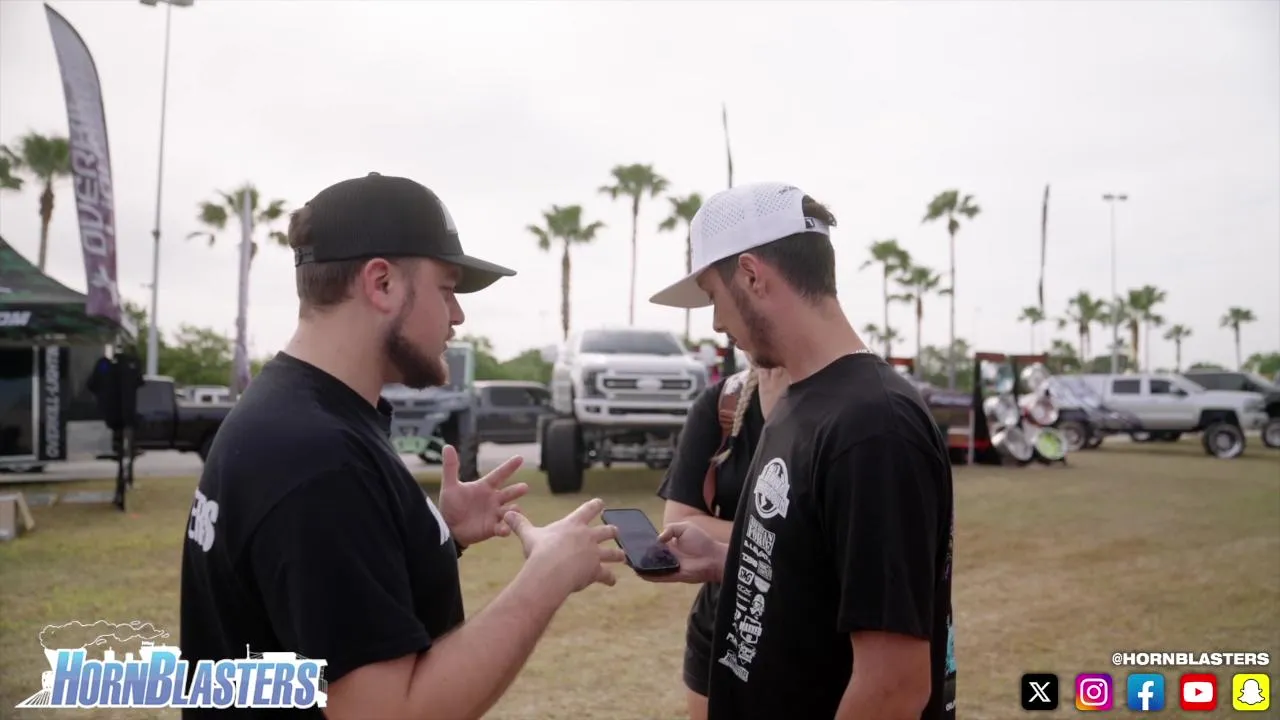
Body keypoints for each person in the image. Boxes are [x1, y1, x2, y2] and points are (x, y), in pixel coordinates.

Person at [179, 173, 626, 719]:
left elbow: (326, 588)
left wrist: (434, 536)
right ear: (382, 283)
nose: (457, 315)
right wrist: (546, 577)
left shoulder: (292, 413)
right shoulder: (317, 458)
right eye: (447, 289)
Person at [643, 181, 957, 720]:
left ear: (751, 275)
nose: (716, 323)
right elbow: (820, 574)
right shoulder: (798, 401)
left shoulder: (874, 426)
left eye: (714, 297)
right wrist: (727, 559)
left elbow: (894, 687)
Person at [656, 359, 788, 720]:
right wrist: (790, 539)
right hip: (723, 629)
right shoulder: (723, 402)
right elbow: (680, 520)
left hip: (816, 636)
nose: (720, 330)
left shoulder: (846, 406)